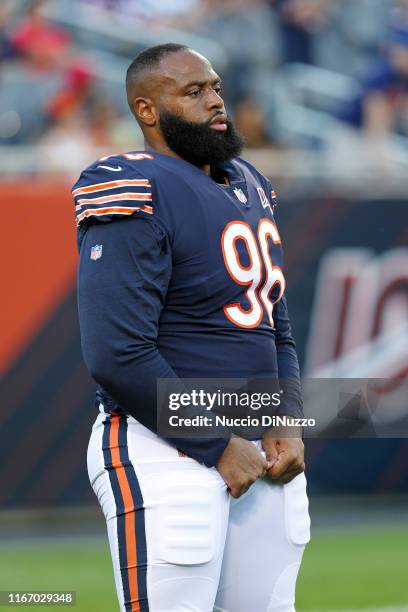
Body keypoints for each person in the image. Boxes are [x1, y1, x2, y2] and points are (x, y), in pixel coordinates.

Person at [73, 43, 310, 612]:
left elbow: (275, 327)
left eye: (216, 87)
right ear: (147, 110)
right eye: (193, 91)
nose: (215, 101)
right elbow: (117, 352)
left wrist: (287, 420)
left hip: (259, 445)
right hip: (166, 448)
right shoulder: (132, 181)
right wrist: (216, 443)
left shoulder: (247, 182)